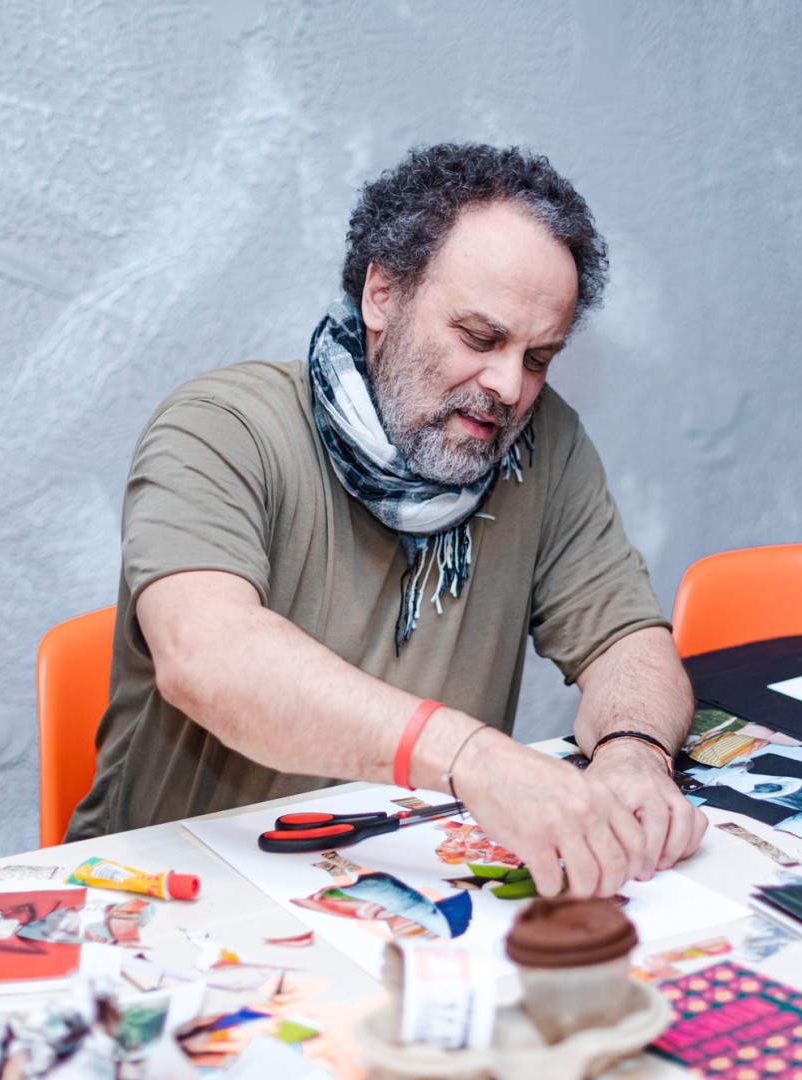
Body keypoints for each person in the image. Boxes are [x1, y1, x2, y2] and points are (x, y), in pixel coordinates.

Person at [65, 144, 707, 898]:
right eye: (480, 338)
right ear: (383, 294)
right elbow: (207, 658)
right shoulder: (221, 426)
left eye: (538, 358)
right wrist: (472, 758)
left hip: (408, 888)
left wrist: (633, 754)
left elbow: (629, 642)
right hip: (171, 896)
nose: (509, 385)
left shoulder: (545, 443)